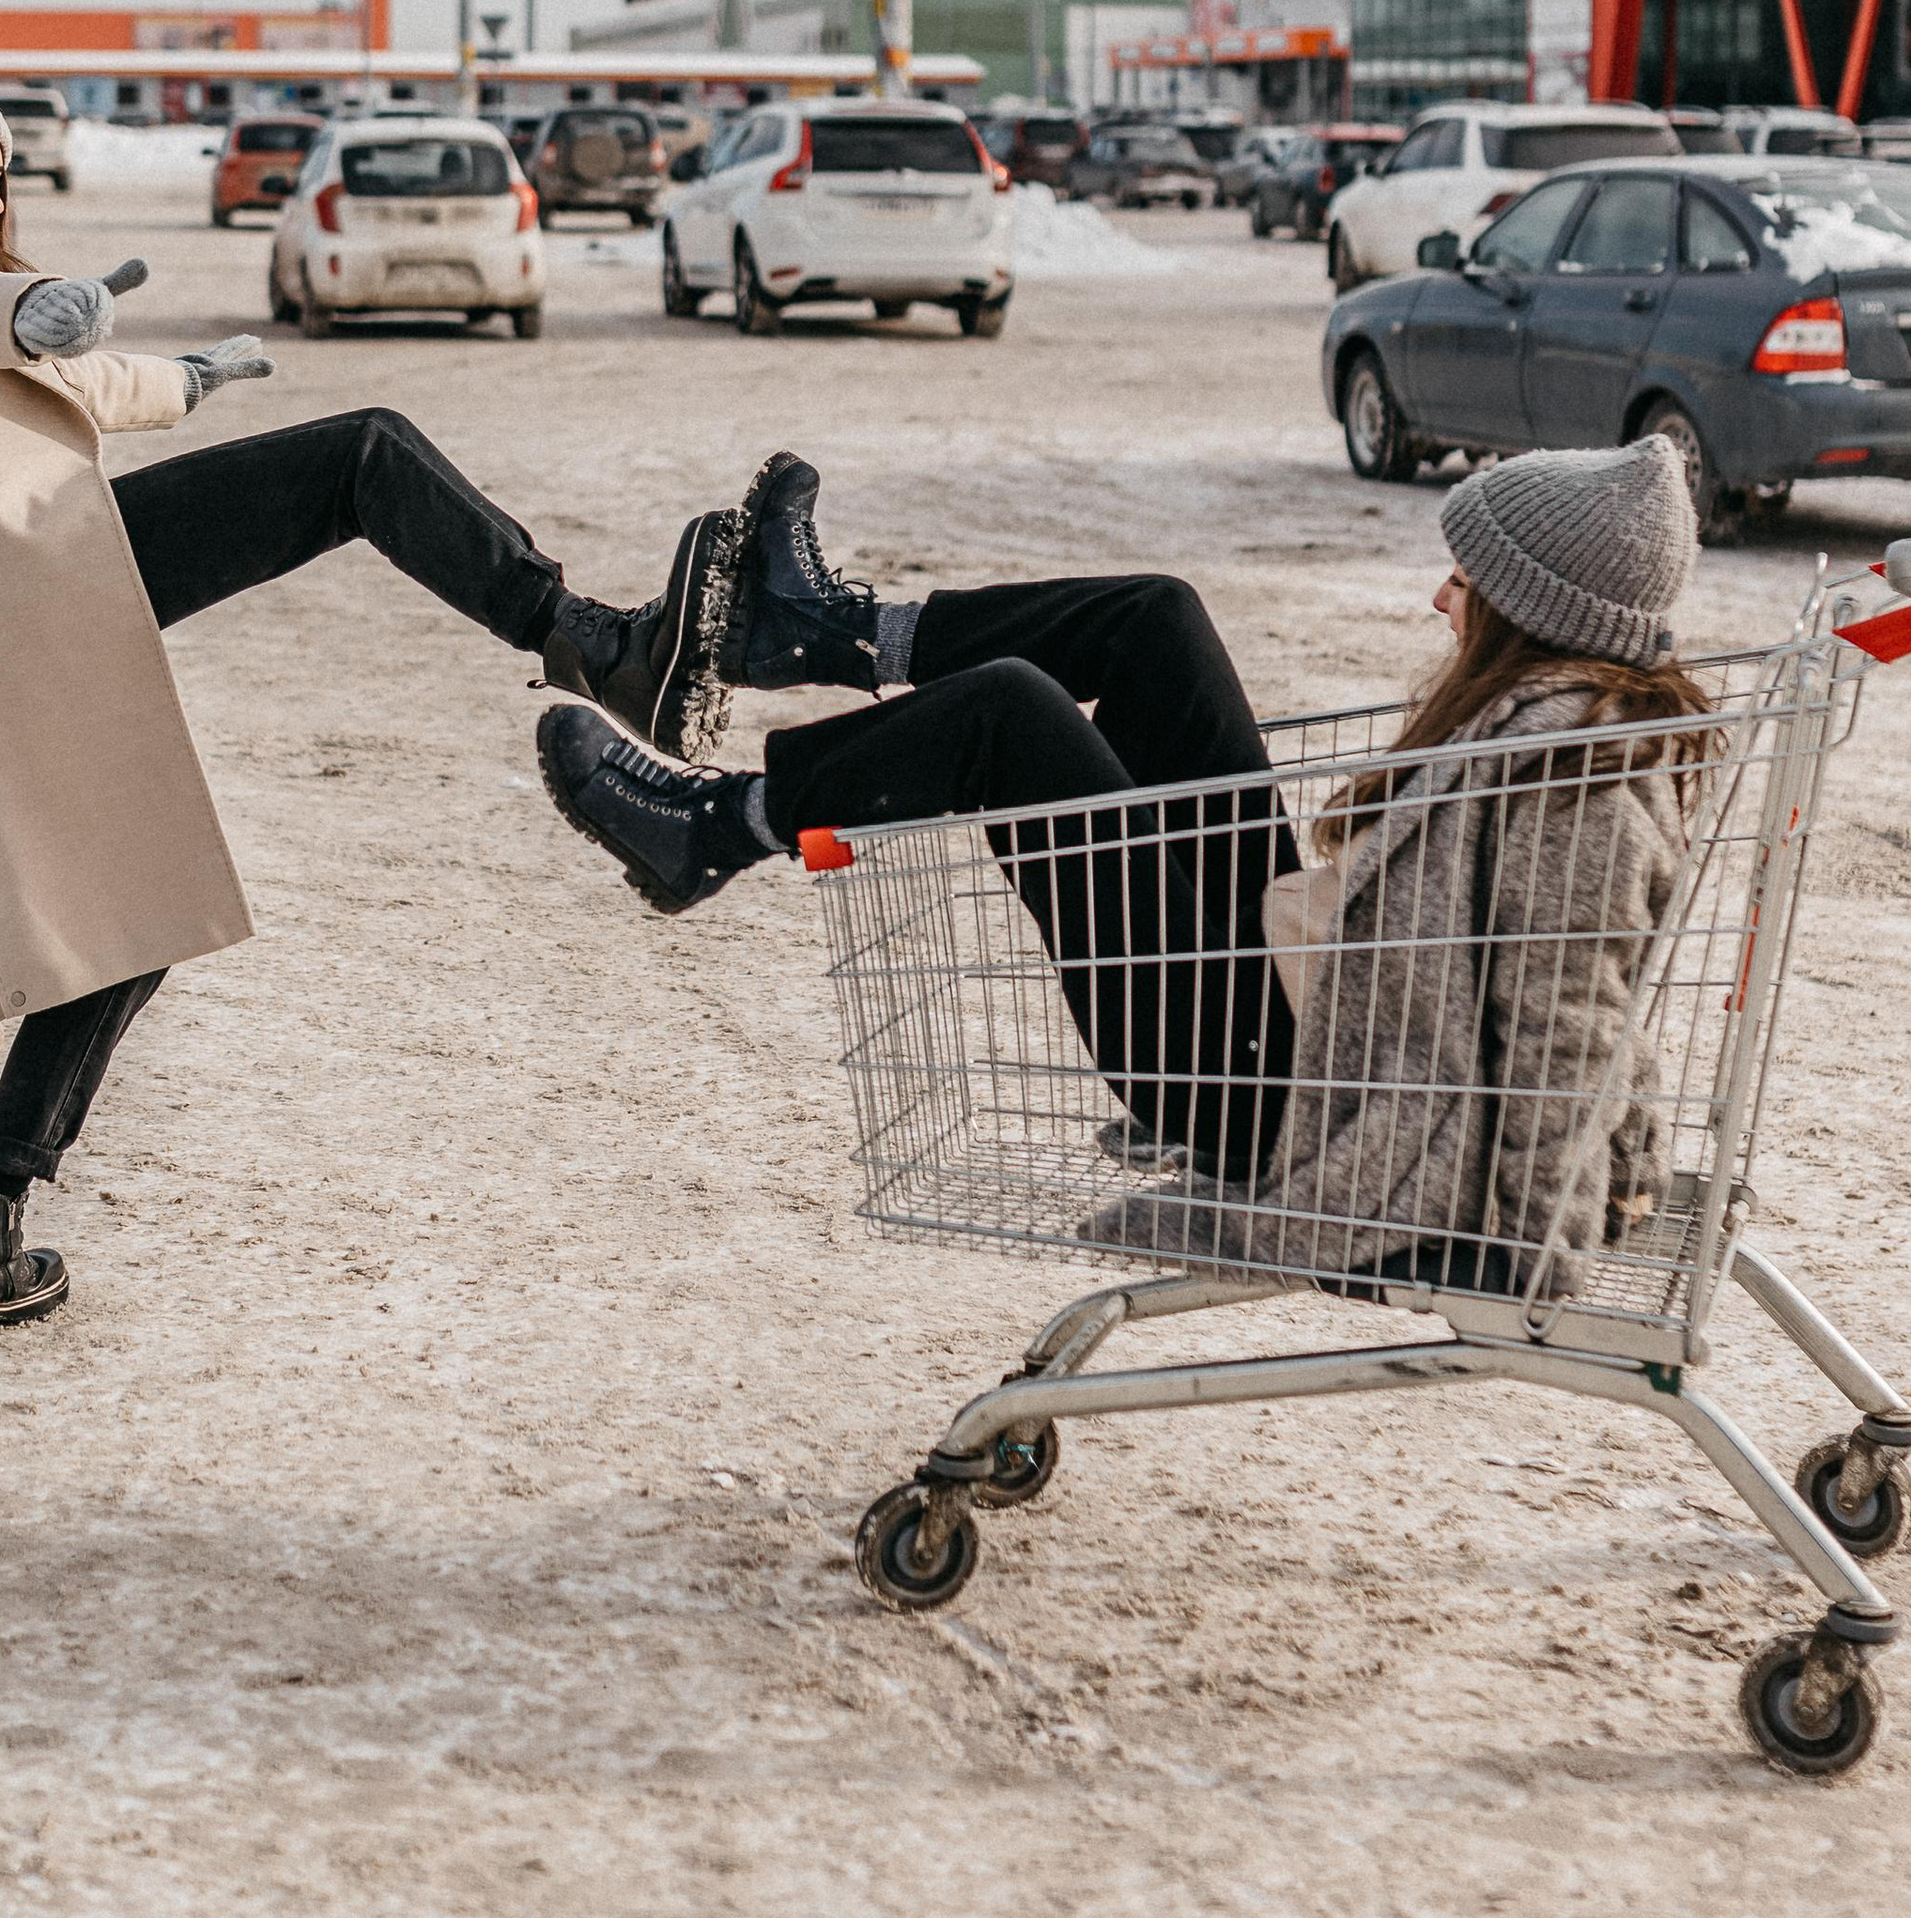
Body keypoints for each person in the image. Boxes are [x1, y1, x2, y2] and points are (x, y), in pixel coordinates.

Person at [0, 63, 747, 1358]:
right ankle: (596, 643)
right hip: (7, 579)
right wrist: (32, 305)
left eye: (0, 166)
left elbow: (64, 382)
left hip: (34, 572)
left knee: (129, 914)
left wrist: (185, 374)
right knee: (360, 457)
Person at [536, 439, 1709, 1292]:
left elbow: (1574, 1014)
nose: (1440, 594)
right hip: (1300, 1009)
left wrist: (1533, 1235)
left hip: (1265, 1085)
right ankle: (821, 630)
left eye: (1472, 580)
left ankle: (716, 827)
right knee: (1157, 618)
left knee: (1010, 716)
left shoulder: (1582, 783)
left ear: (1532, 612)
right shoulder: (1547, 725)